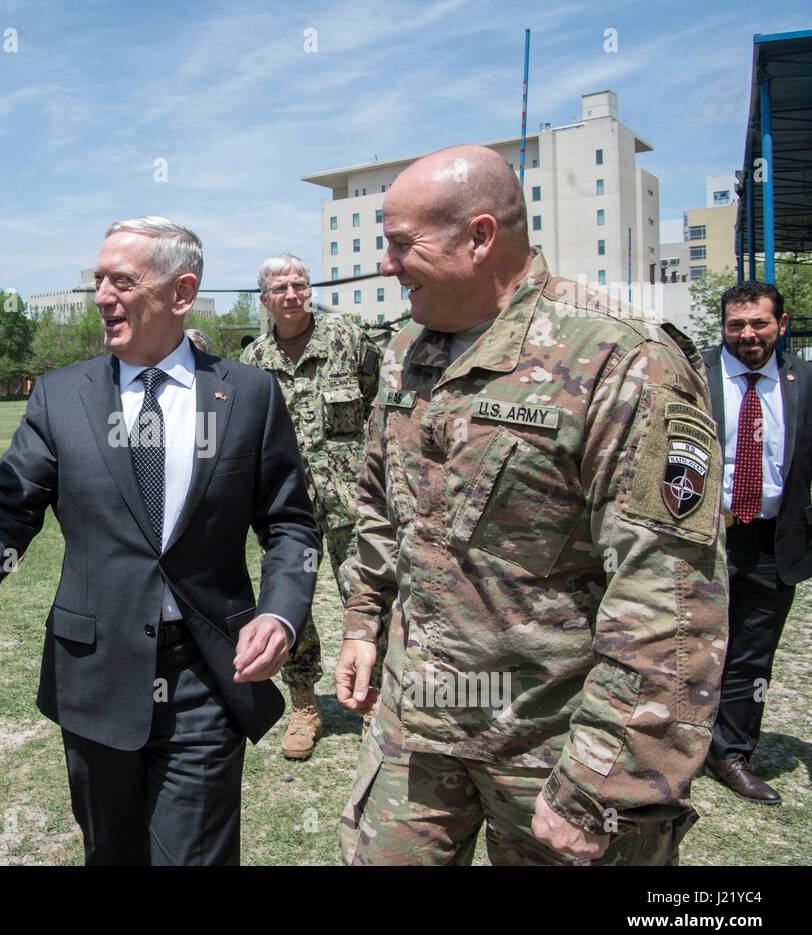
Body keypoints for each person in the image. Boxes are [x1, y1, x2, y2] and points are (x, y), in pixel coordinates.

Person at [334, 145, 727, 865]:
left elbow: (669, 598)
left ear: (480, 237)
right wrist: (363, 621)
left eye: (400, 245)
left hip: (554, 748)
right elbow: (380, 505)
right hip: (415, 733)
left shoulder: (622, 358)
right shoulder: (404, 350)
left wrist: (600, 784)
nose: (386, 265)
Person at [0, 216, 320, 865]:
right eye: (99, 281)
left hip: (207, 676)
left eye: (123, 281)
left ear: (182, 291)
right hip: (96, 674)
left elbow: (289, 523)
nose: (103, 296)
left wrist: (279, 611)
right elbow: (6, 512)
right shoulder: (62, 397)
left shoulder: (249, 396)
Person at [241, 254, 377, 759]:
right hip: (283, 508)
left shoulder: (348, 340)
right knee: (289, 604)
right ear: (265, 300)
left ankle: (370, 703)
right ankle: (304, 705)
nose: (293, 294)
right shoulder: (252, 362)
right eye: (281, 288)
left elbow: (375, 401)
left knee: (365, 600)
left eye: (301, 284)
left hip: (352, 505)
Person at [700, 282, 812, 803]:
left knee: (750, 654)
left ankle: (731, 752)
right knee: (685, 648)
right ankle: (673, 746)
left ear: (781, 325)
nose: (747, 334)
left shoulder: (804, 380)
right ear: (722, 327)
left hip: (773, 542)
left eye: (759, 323)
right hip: (702, 539)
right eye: (736, 325)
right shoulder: (693, 375)